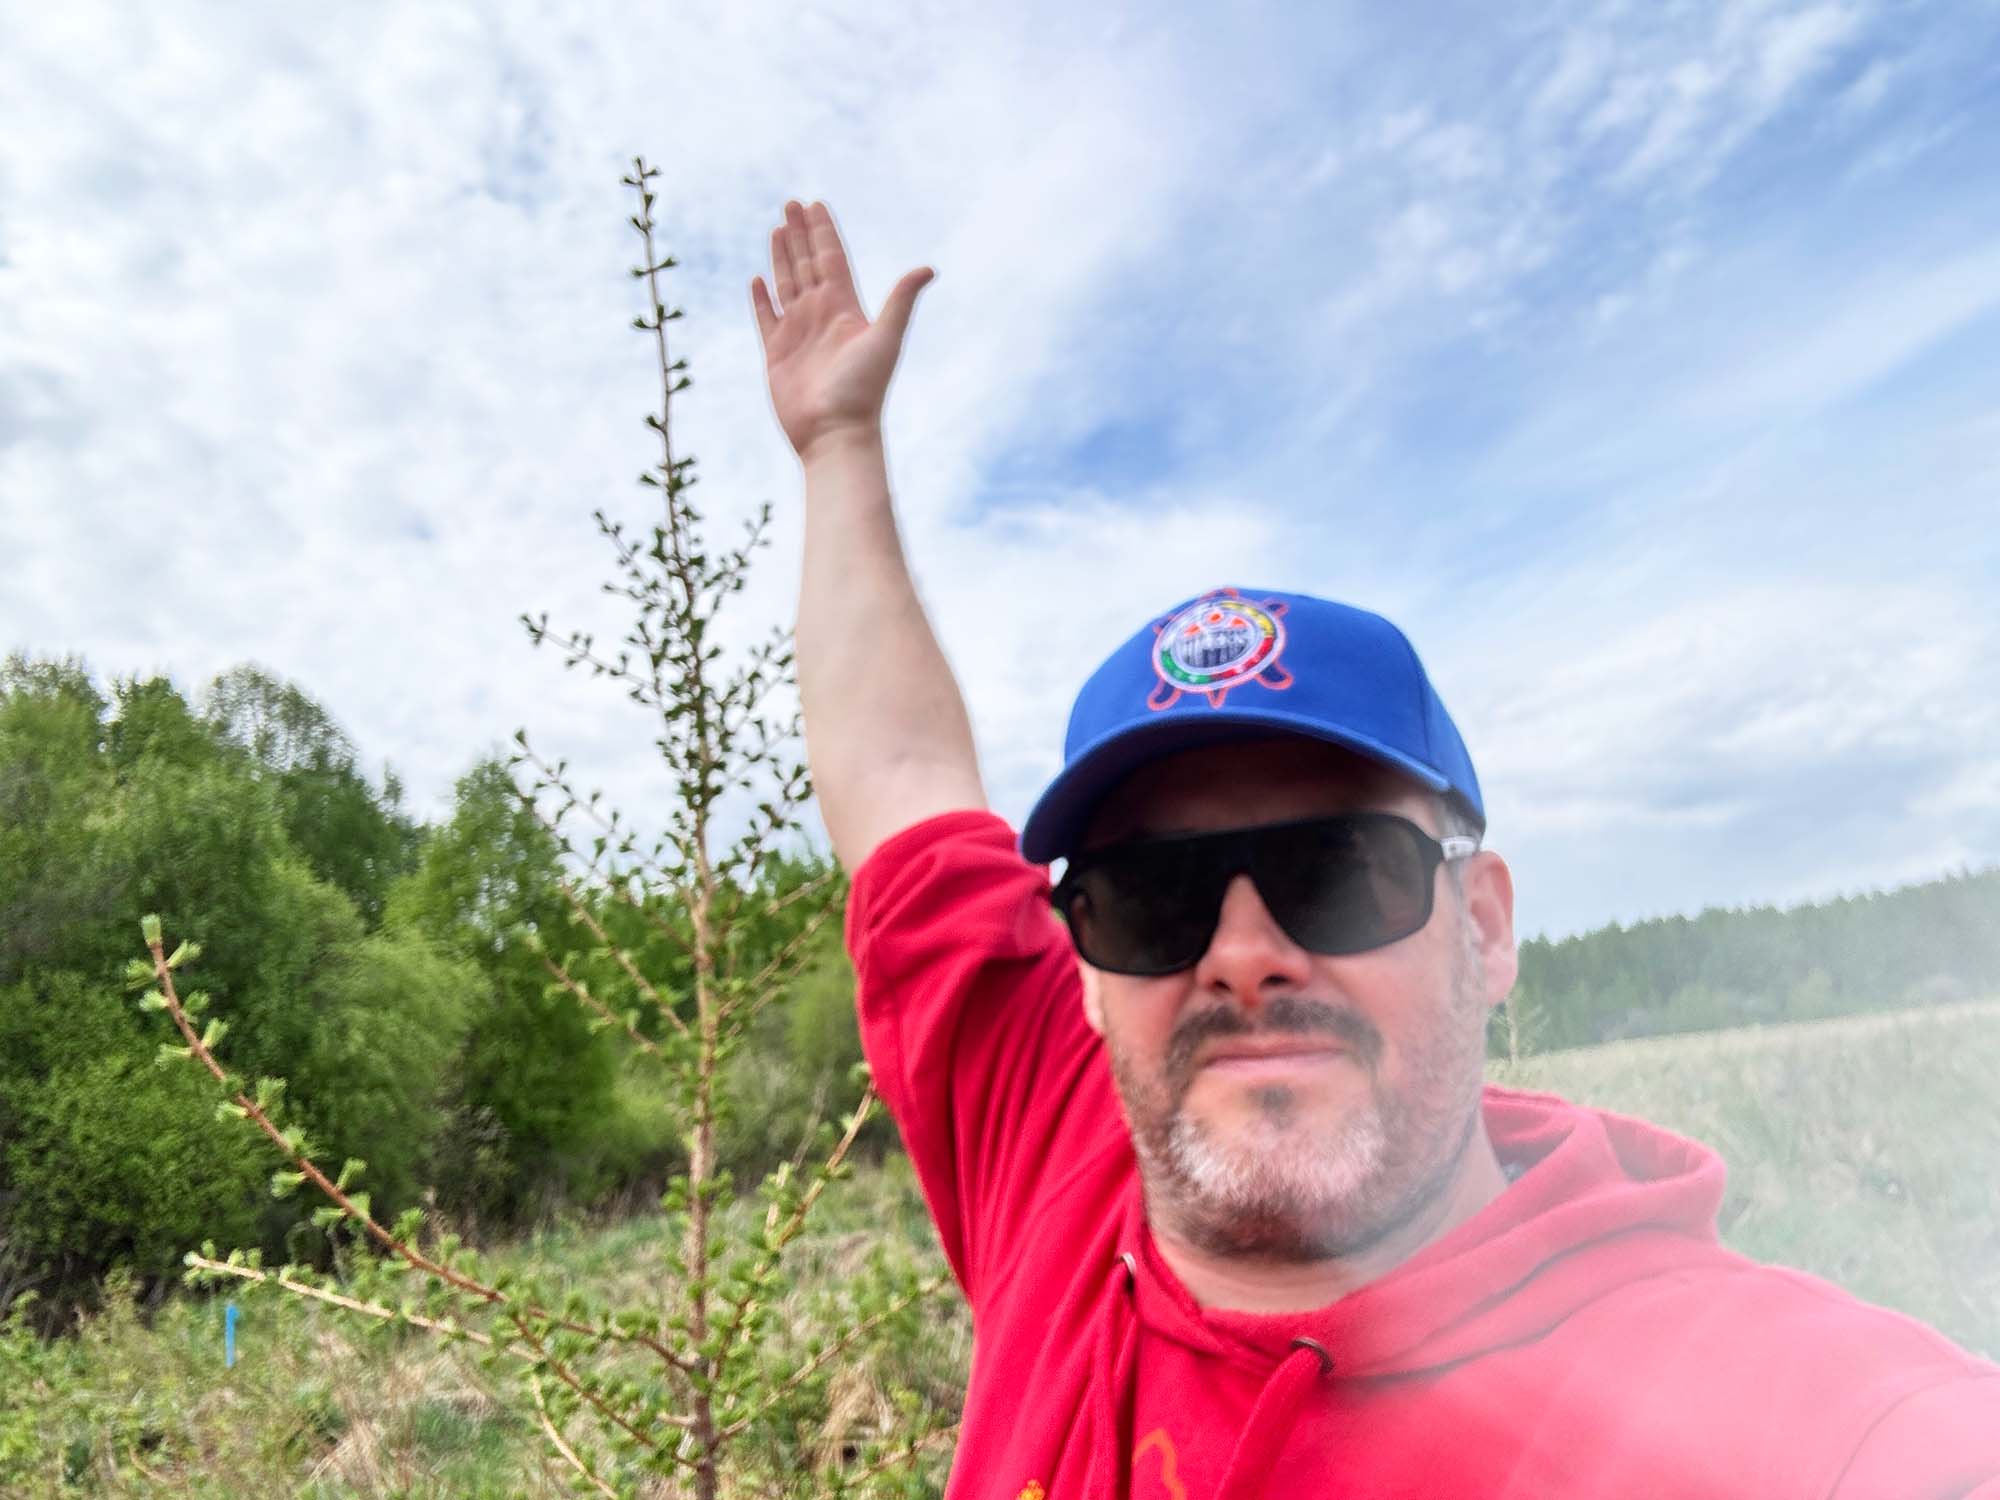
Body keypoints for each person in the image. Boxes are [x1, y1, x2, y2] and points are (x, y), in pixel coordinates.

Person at [751, 199, 2000, 1498]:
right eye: (1150, 895)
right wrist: (840, 446)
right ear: (1080, 963)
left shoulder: (1750, 1409)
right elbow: (898, 779)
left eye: (1335, 872)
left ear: (1487, 926)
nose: (1242, 954)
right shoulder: (1053, 1154)